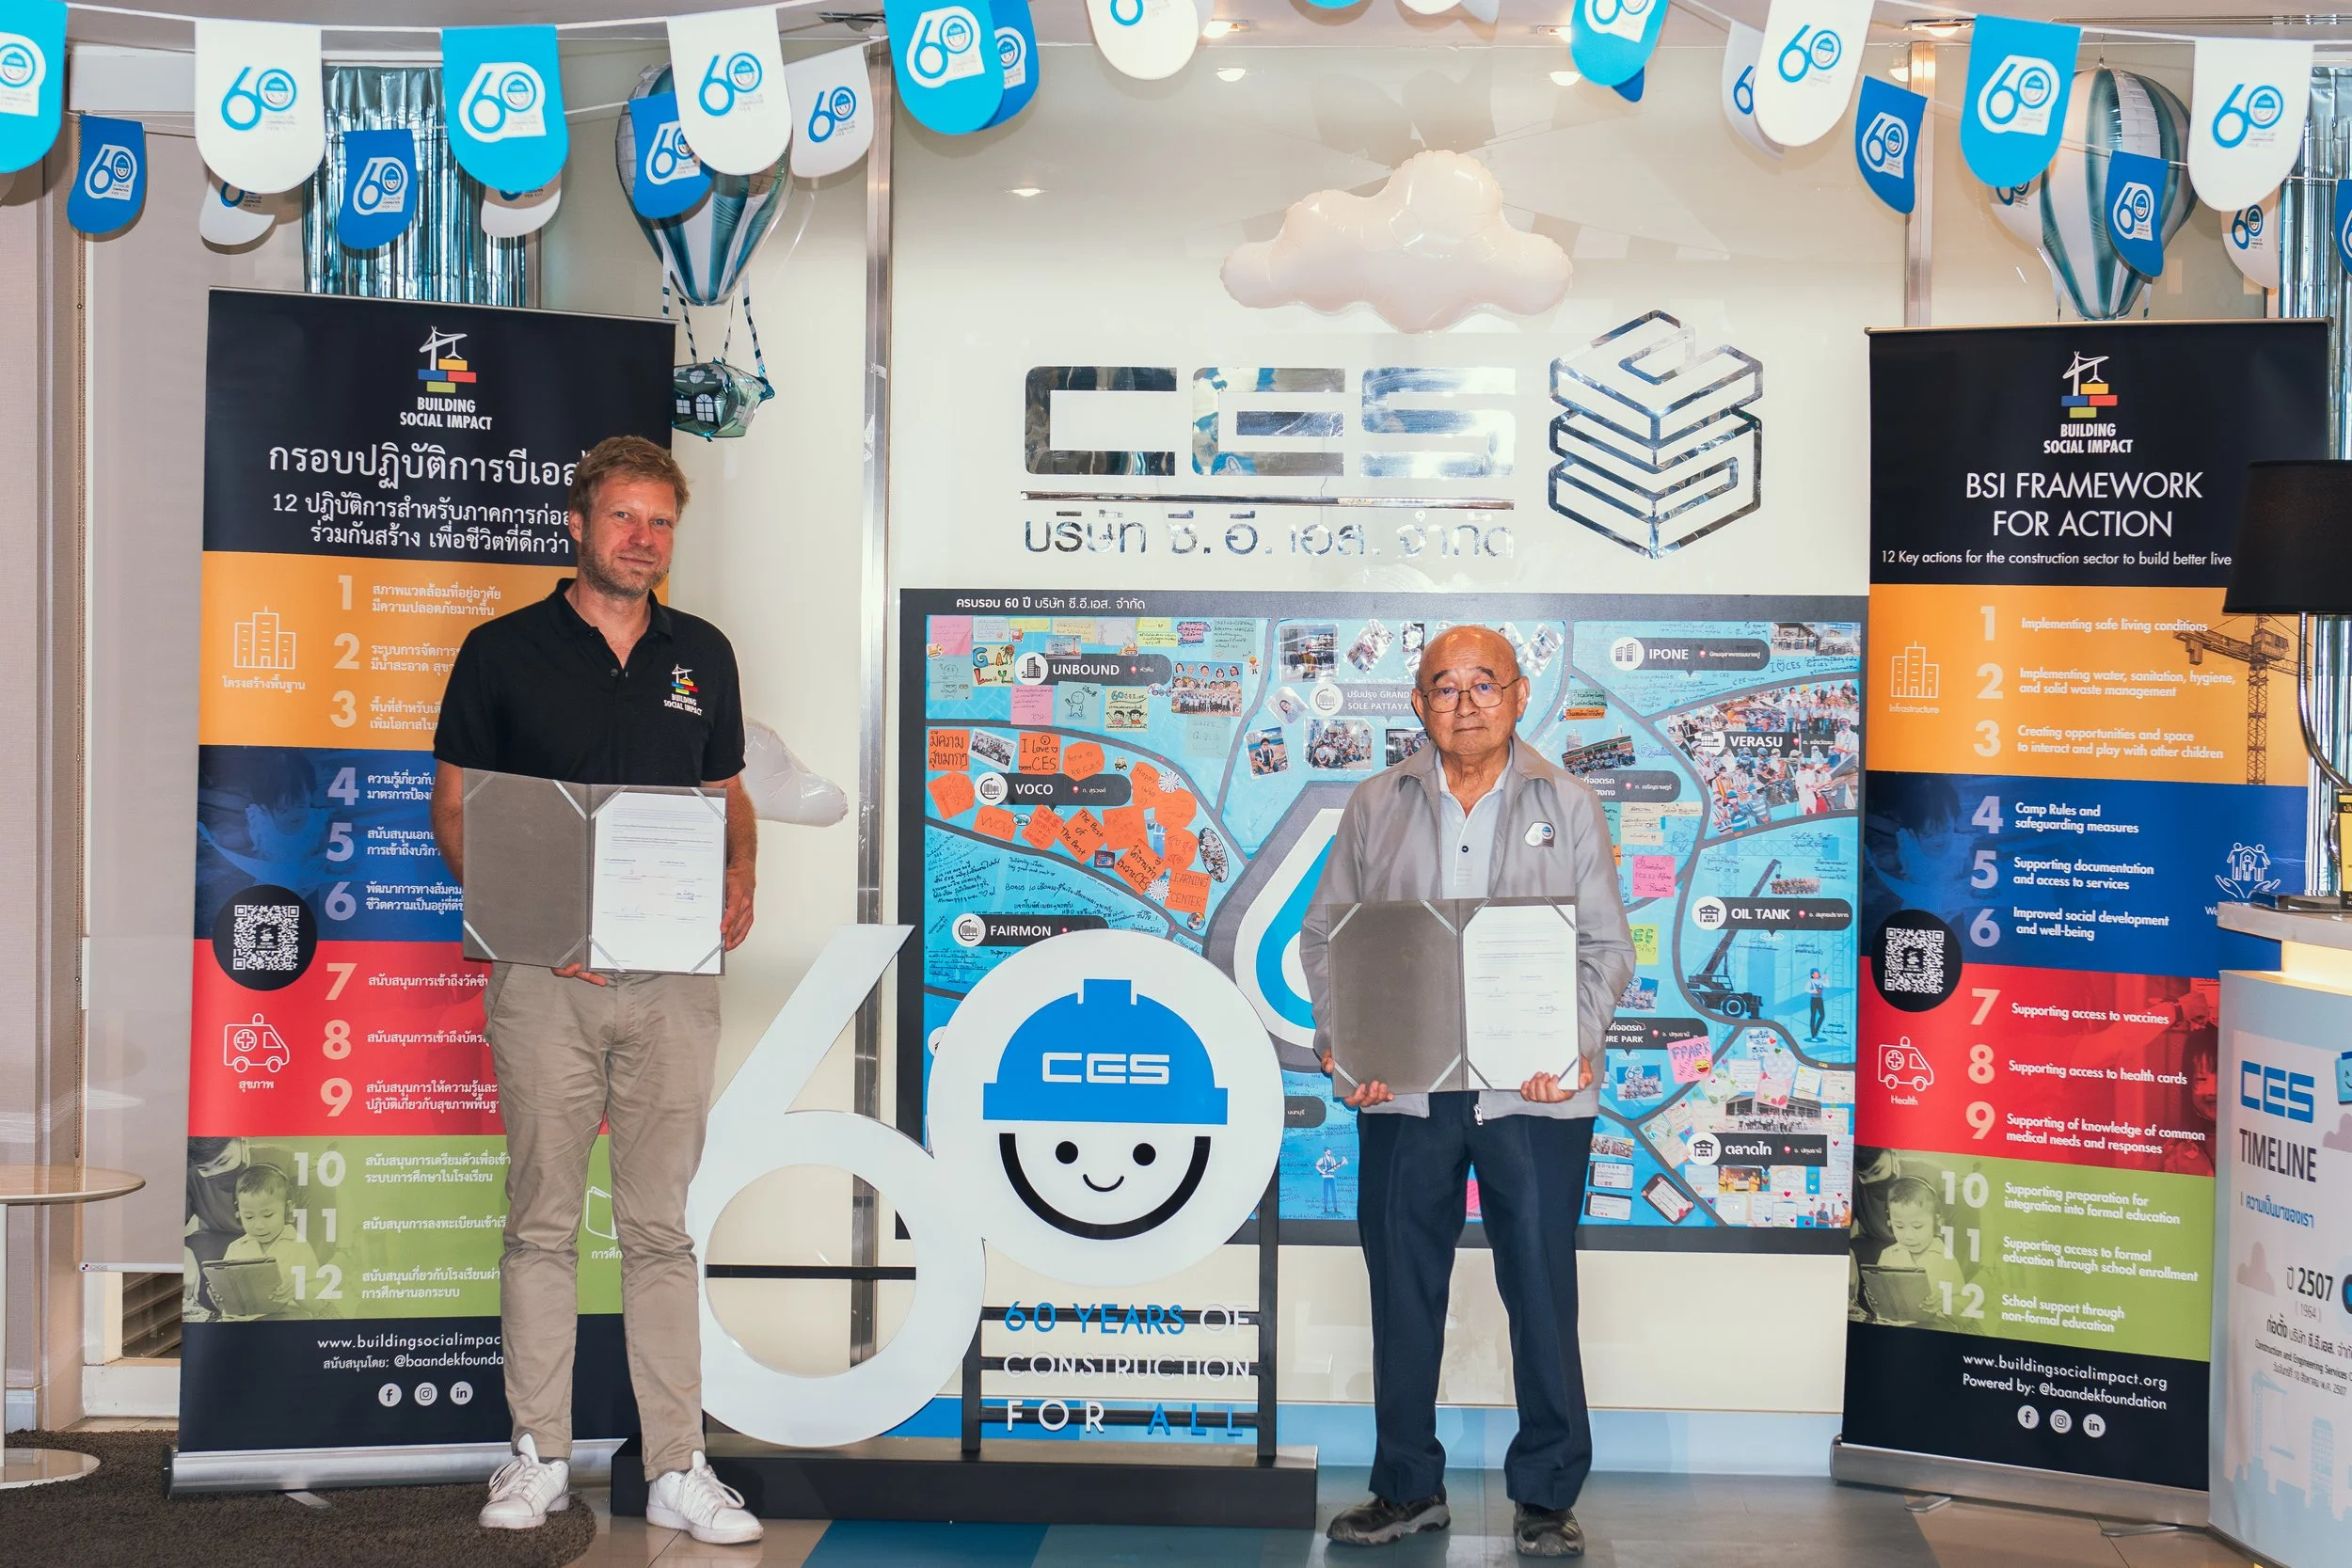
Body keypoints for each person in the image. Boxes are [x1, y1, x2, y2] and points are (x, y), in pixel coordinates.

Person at [429, 436, 762, 1546]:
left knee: (660, 1227)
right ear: (577, 524)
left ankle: (676, 1465)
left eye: (660, 521)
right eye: (623, 516)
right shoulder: (500, 652)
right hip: (544, 981)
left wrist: (740, 872)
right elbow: (455, 811)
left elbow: (725, 793)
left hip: (671, 984)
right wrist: (539, 925)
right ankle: (537, 1455)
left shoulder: (700, 652)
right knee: (542, 1222)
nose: (642, 538)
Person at [1301, 625, 1636, 1559]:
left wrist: (1566, 1046)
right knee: (1403, 1289)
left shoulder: (1568, 802)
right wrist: (1350, 1045)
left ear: (1519, 693)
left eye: (1483, 683)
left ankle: (1546, 1493)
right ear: (1418, 704)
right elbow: (1327, 939)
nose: (1464, 702)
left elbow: (1606, 949)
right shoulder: (1376, 802)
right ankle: (1407, 1485)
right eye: (1443, 686)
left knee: (1541, 1287)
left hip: (1533, 1094)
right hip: (1406, 1089)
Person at [1807, 969, 1826, 1039]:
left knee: (1822, 1015)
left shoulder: (1820, 981)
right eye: (1816, 973)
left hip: (1820, 1000)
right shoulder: (1810, 981)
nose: (1817, 974)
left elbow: (1828, 985)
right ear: (1812, 975)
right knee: (1813, 1016)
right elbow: (1806, 989)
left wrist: (1826, 979)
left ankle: (1815, 1032)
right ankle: (1813, 1035)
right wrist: (1813, 991)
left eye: (1818, 973)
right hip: (1814, 1000)